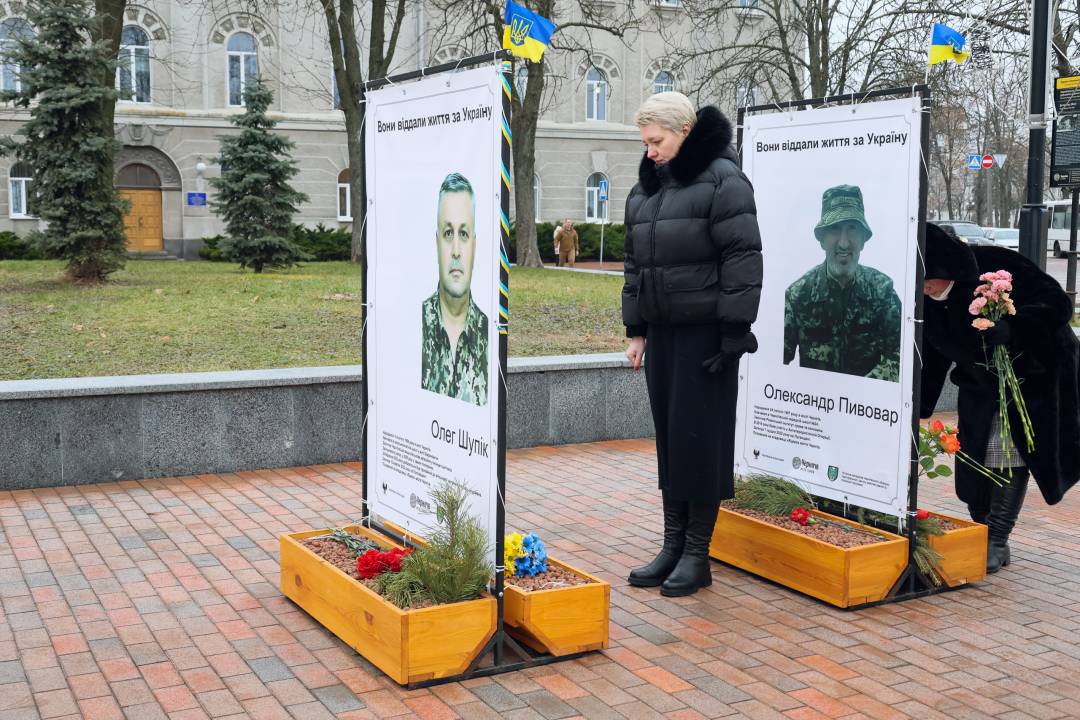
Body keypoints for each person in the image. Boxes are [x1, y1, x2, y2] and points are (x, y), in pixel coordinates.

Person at [622, 92, 762, 597]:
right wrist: (636, 331)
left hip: (708, 337)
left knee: (702, 444)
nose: (651, 151)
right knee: (672, 442)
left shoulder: (725, 180)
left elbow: (743, 260)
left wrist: (733, 334)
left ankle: (697, 554)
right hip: (663, 333)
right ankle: (673, 544)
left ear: (683, 130)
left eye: (657, 141)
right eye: (646, 143)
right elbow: (635, 264)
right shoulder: (647, 189)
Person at [921, 223, 1080, 572]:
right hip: (979, 380)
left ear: (947, 268)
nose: (924, 285)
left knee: (1007, 452)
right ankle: (981, 527)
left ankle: (997, 539)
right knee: (972, 458)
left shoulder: (993, 265)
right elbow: (934, 354)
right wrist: (920, 402)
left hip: (1032, 373)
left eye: (929, 277)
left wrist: (1015, 328)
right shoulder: (926, 299)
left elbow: (1056, 303)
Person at [783, 185, 902, 381]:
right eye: (834, 229)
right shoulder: (798, 295)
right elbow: (777, 360)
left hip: (866, 407)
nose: (844, 243)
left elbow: (900, 355)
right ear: (821, 240)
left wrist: (856, 393)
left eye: (852, 229)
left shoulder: (883, 291)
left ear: (864, 239)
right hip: (812, 404)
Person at [421, 172, 489, 406]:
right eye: (449, 233)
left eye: (464, 234)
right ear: (436, 242)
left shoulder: (488, 334)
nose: (457, 251)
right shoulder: (416, 325)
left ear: (475, 245)